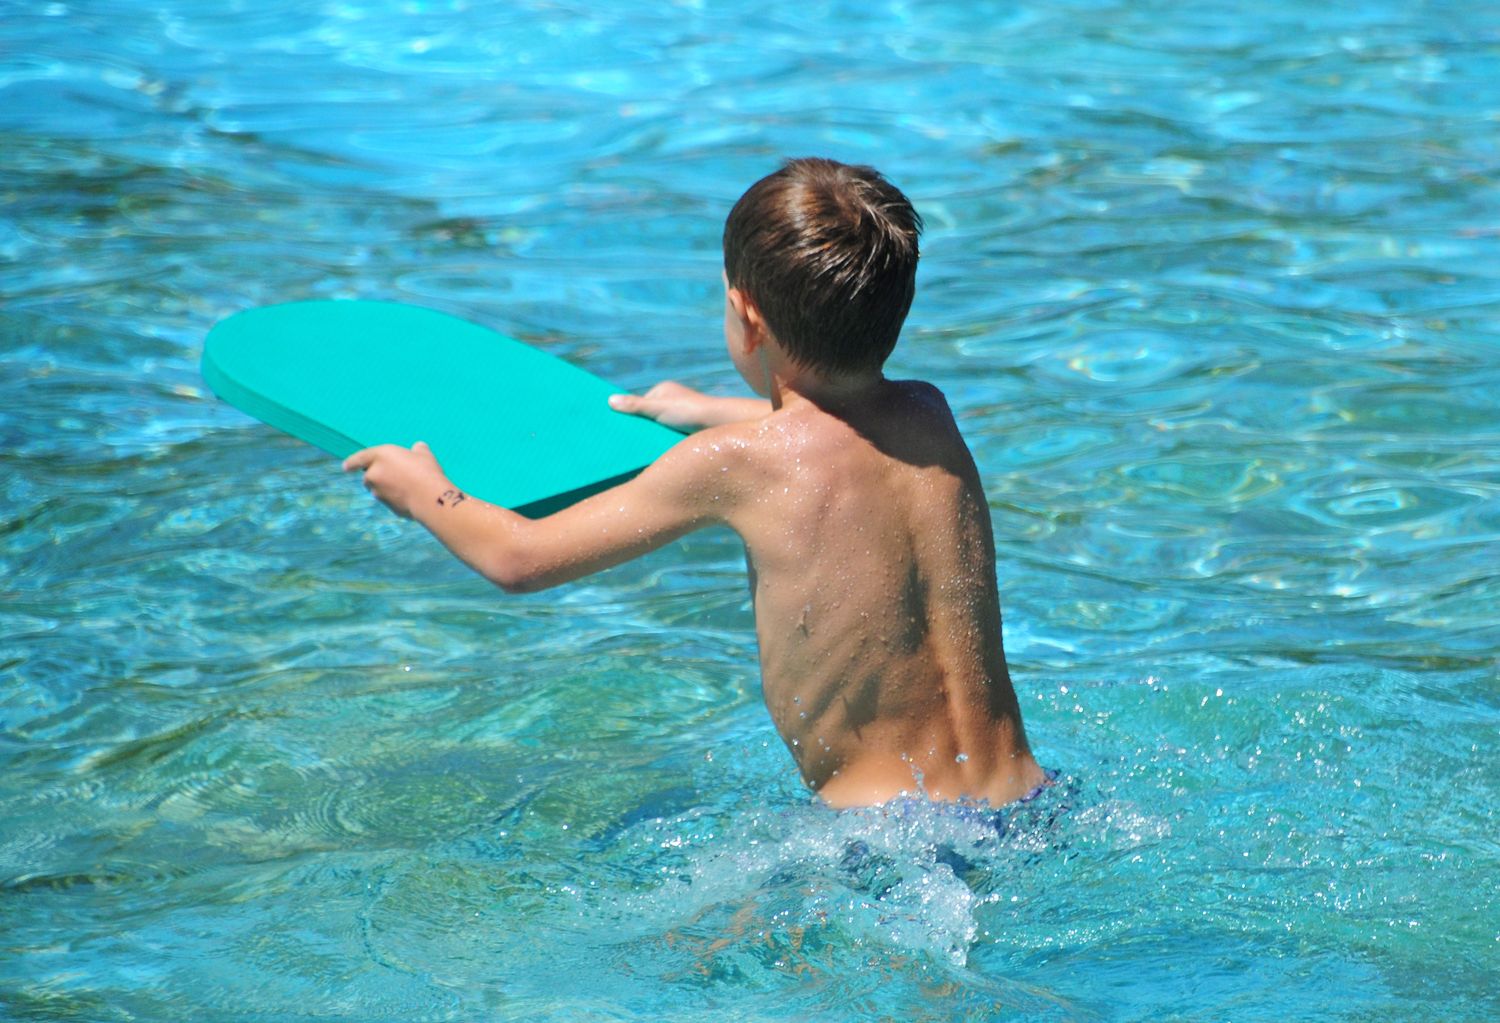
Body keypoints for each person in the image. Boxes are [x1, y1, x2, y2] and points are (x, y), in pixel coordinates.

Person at [343, 157, 1048, 809]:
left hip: (879, 836)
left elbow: (519, 559)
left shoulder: (732, 465)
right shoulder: (930, 414)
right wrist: (710, 410)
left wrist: (426, 491)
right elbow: (838, 437)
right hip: (1027, 799)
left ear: (746, 319)